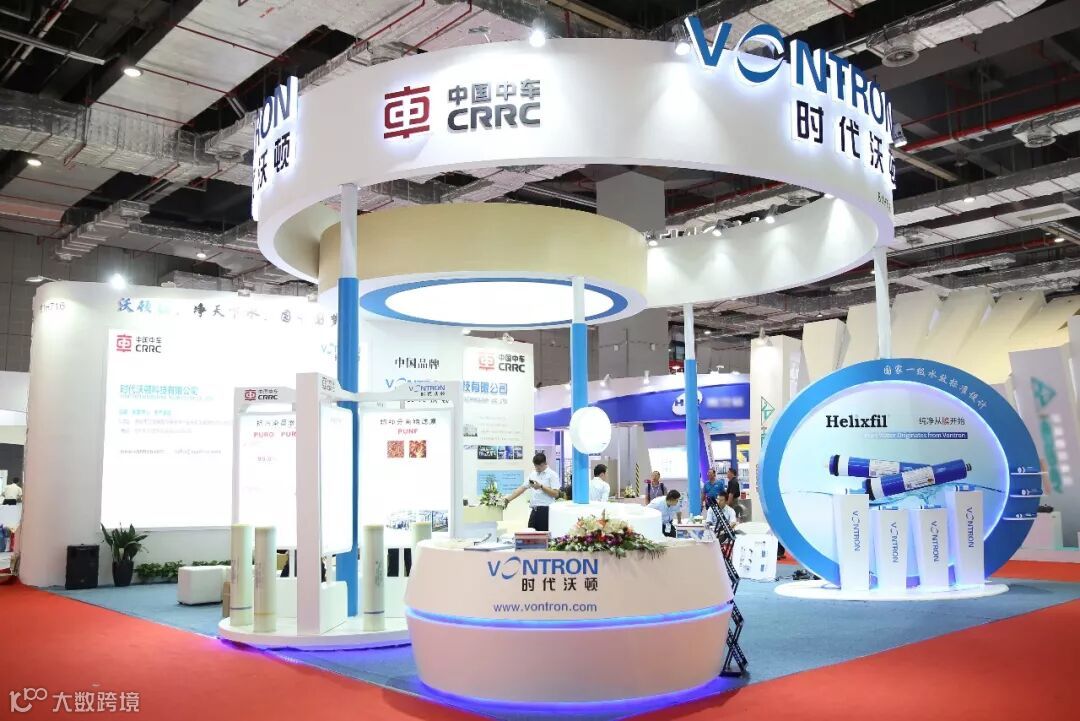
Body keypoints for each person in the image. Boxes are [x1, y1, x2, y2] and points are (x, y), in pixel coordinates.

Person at [504, 452, 560, 532]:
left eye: (538, 466)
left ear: (544, 464)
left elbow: (556, 494)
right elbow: (522, 488)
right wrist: (508, 499)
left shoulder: (552, 475)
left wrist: (541, 486)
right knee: (530, 534)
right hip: (534, 510)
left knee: (543, 536)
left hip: (546, 510)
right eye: (535, 466)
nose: (536, 468)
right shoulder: (533, 474)